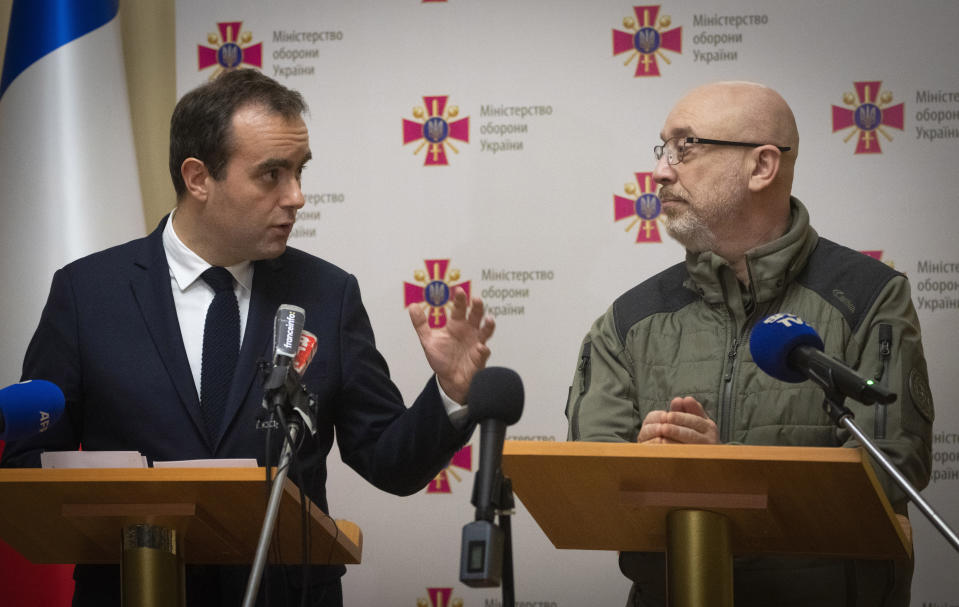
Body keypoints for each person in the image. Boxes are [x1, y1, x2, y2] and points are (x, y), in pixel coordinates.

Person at [0, 68, 494, 606]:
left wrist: (448, 393)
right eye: (272, 174)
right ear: (198, 178)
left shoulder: (327, 295)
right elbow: (29, 464)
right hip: (132, 588)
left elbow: (388, 461)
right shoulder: (87, 294)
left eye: (300, 172)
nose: (298, 196)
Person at [565, 81, 933, 607]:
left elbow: (888, 474)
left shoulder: (870, 298)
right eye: (663, 149)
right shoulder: (628, 320)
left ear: (762, 166)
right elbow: (591, 486)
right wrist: (647, 467)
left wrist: (724, 472)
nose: (662, 170)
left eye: (686, 147)